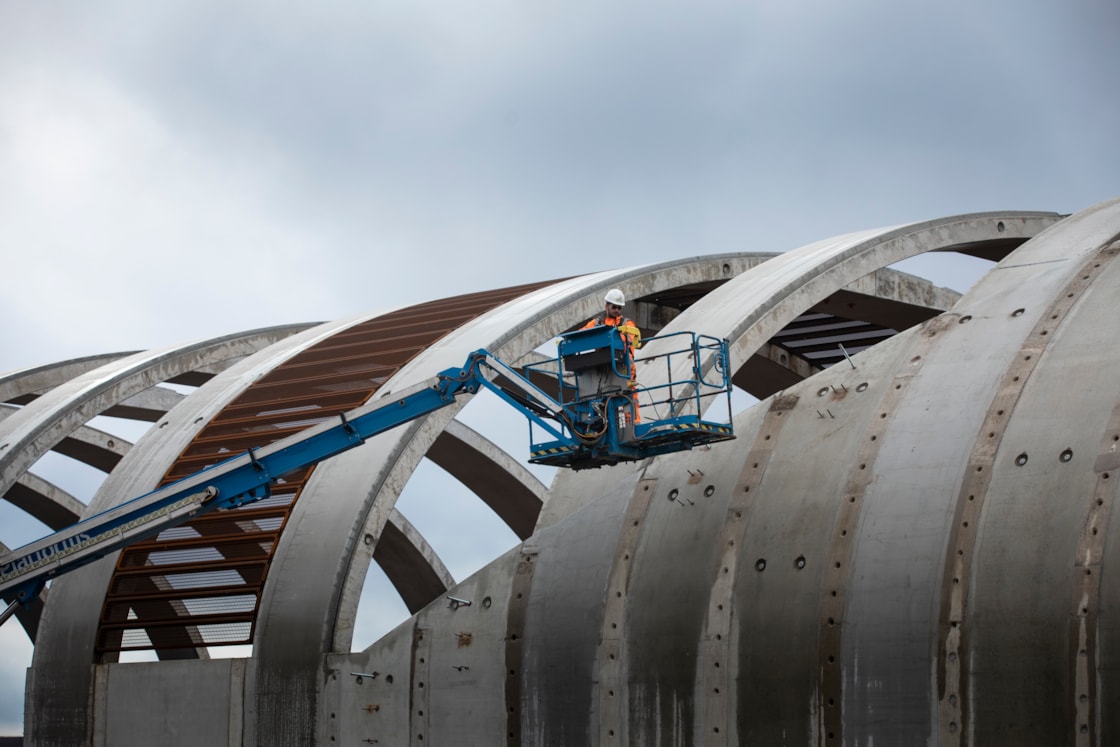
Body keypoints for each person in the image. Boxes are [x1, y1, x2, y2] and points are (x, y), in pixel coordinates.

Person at [581, 288, 643, 422]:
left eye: (619, 308)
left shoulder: (627, 324)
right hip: (603, 367)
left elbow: (626, 341)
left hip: (623, 366)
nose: (617, 310)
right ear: (606, 306)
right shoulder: (596, 323)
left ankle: (633, 423)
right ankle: (603, 424)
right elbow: (581, 335)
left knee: (628, 396)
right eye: (614, 307)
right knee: (601, 398)